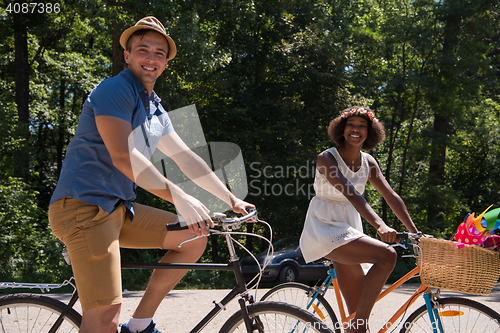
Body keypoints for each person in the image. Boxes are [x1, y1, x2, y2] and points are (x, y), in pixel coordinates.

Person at [48, 16, 254, 333]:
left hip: (118, 209)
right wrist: (180, 197)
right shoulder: (114, 90)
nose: (151, 58)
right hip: (83, 207)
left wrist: (231, 199)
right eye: (143, 50)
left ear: (166, 62)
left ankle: (140, 325)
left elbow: (187, 159)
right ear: (127, 56)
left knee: (194, 236)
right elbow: (121, 155)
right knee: (105, 318)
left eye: (159, 53)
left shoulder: (155, 108)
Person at [299, 106, 419, 333]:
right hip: (324, 226)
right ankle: (359, 326)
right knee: (387, 255)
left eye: (362, 126)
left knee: (355, 316)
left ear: (370, 132)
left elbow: (390, 196)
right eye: (351, 125)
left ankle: (356, 327)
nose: (356, 129)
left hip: (350, 227)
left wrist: (415, 232)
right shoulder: (327, 158)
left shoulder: (369, 163)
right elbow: (351, 194)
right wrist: (380, 225)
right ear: (342, 130)